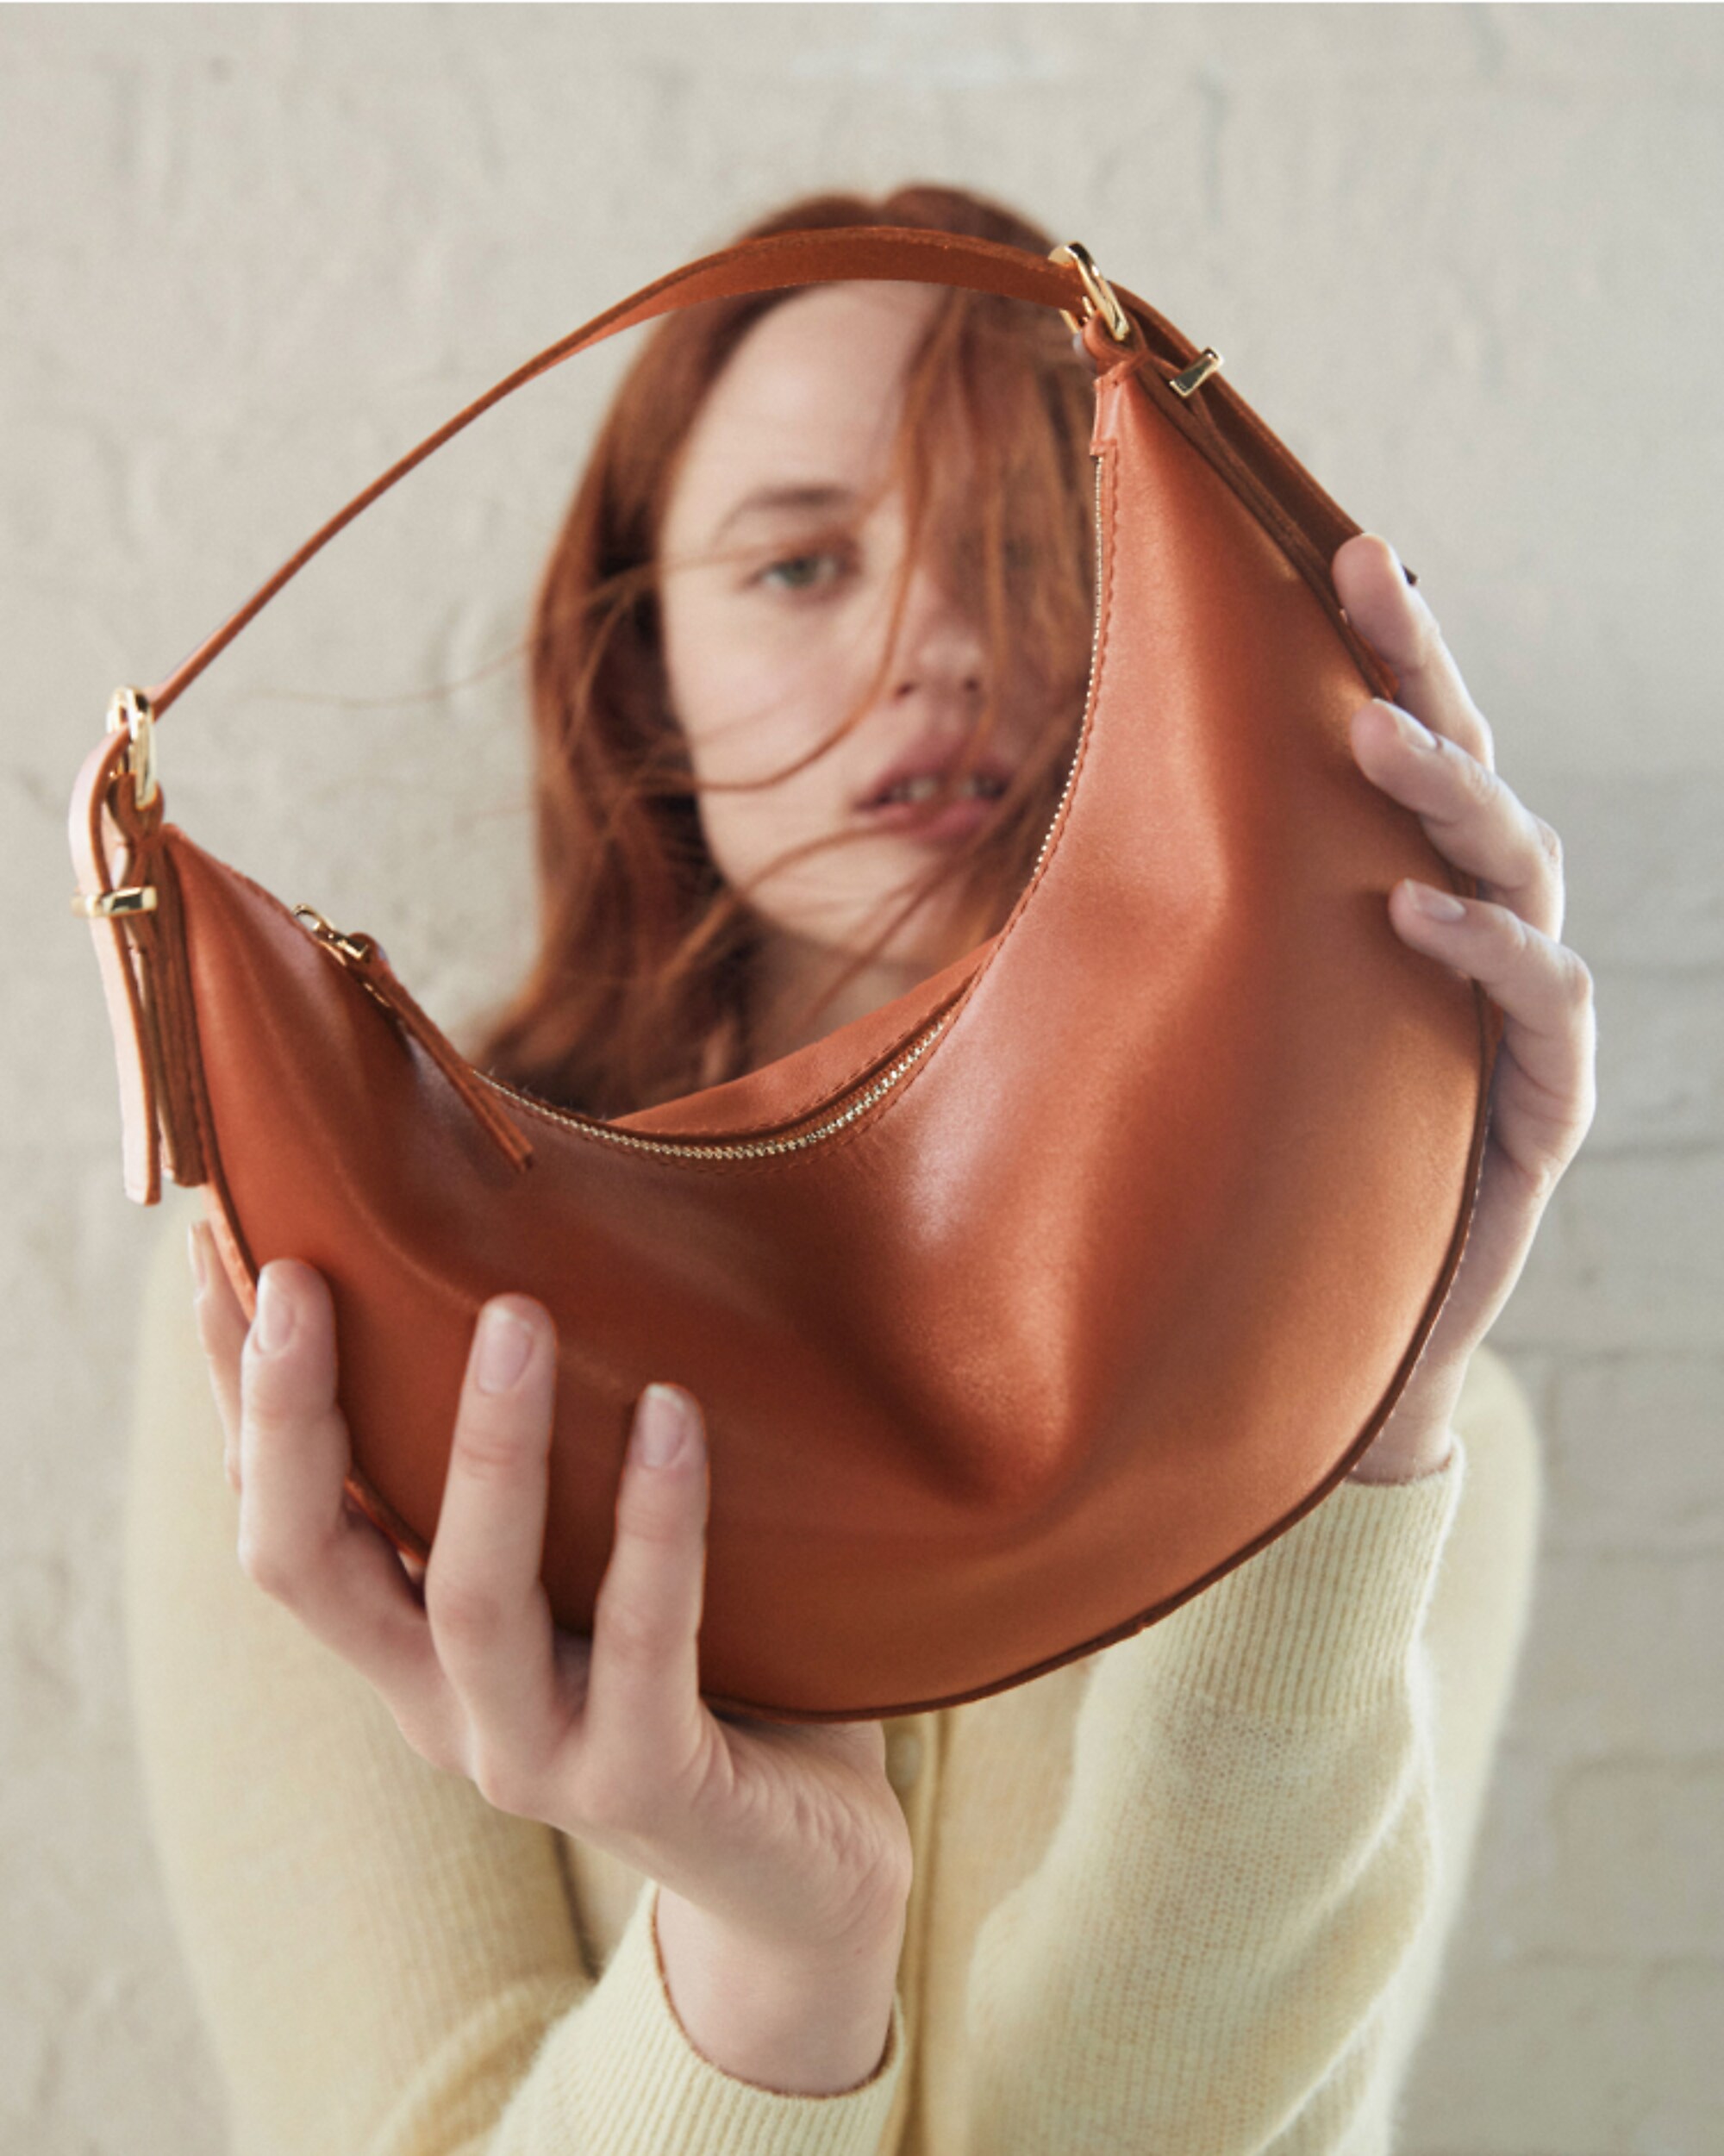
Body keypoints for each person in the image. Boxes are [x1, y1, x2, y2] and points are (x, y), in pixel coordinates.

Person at [123, 184, 1596, 2153]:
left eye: (1028, 548)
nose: (938, 646)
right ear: (644, 673)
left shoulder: (1413, 1448)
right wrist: (766, 1965)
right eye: (802, 564)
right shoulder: (341, 1326)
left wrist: (1364, 1400)